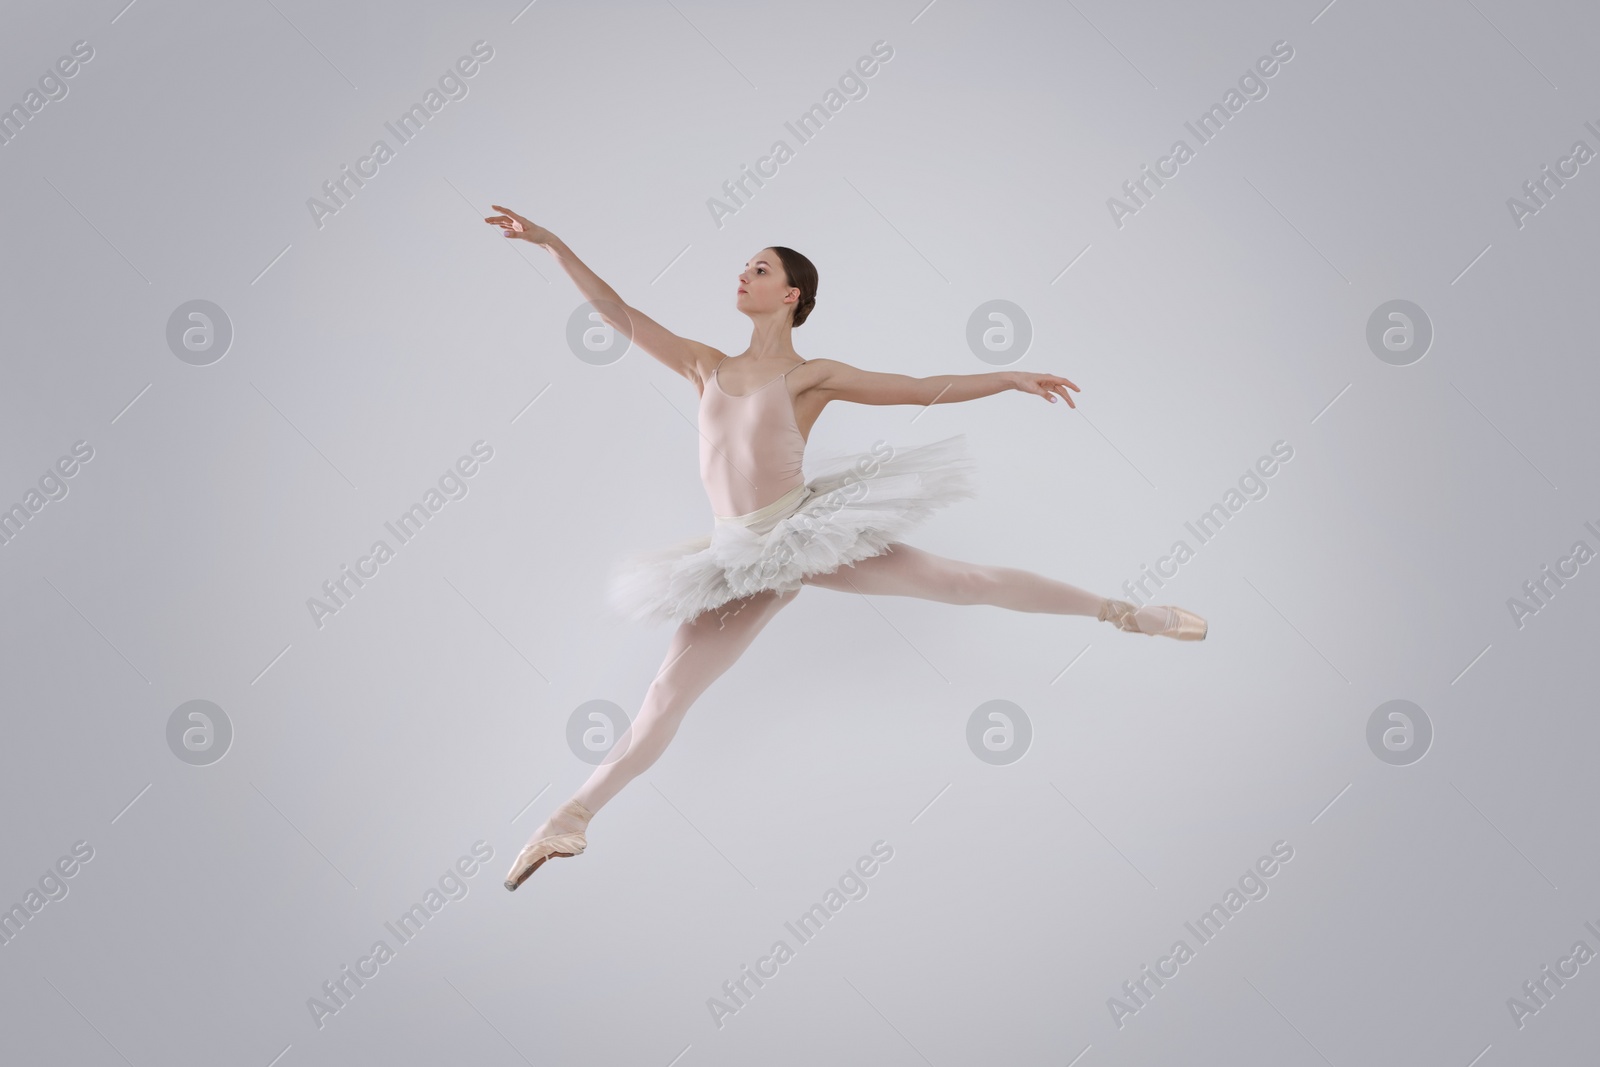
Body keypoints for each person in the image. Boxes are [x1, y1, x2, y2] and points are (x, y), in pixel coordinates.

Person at [482, 205, 1205, 891]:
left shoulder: (808, 376)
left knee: (963, 581)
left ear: (792, 294)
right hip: (735, 559)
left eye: (759, 269)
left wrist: (1007, 377)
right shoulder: (704, 364)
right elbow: (615, 309)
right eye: (744, 267)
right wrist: (550, 242)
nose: (743, 275)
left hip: (804, 532)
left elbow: (918, 388)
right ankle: (566, 820)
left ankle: (1127, 613)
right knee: (666, 694)